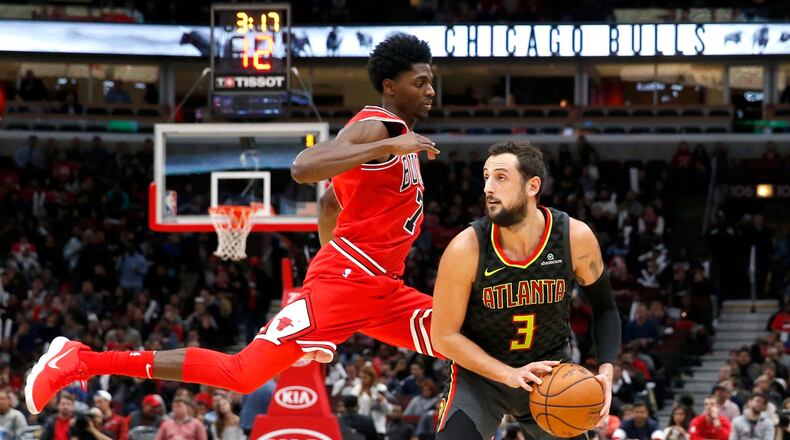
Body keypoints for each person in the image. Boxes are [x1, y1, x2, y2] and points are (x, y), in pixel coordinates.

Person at [26, 33, 442, 415]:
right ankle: (82, 359)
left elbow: (330, 203)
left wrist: (329, 270)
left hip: (380, 286)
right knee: (243, 374)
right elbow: (303, 167)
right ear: (390, 85)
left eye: (430, 82)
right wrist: (333, 281)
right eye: (420, 82)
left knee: (455, 335)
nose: (430, 91)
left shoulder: (399, 139)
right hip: (349, 282)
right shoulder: (379, 127)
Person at [431, 141, 621, 439]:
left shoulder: (574, 237)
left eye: (501, 177)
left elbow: (605, 308)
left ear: (533, 186)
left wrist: (606, 371)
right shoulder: (466, 248)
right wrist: (509, 374)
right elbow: (443, 336)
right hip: (480, 377)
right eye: (486, 177)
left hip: (549, 375)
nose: (488, 188)